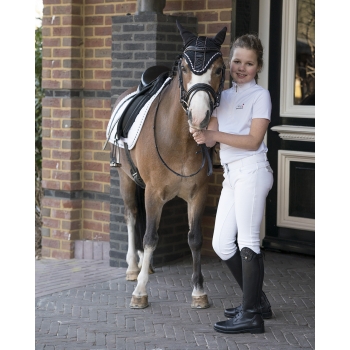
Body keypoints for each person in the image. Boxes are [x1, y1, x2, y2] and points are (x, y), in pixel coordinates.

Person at [191, 34, 274, 334]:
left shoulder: (259, 96)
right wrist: (200, 131)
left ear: (258, 66)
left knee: (247, 240)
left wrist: (215, 137)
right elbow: (210, 134)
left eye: (249, 63)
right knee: (221, 243)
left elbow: (253, 141)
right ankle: (258, 301)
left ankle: (251, 315)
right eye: (237, 61)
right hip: (231, 175)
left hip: (252, 171)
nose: (242, 68)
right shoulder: (221, 97)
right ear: (229, 62)